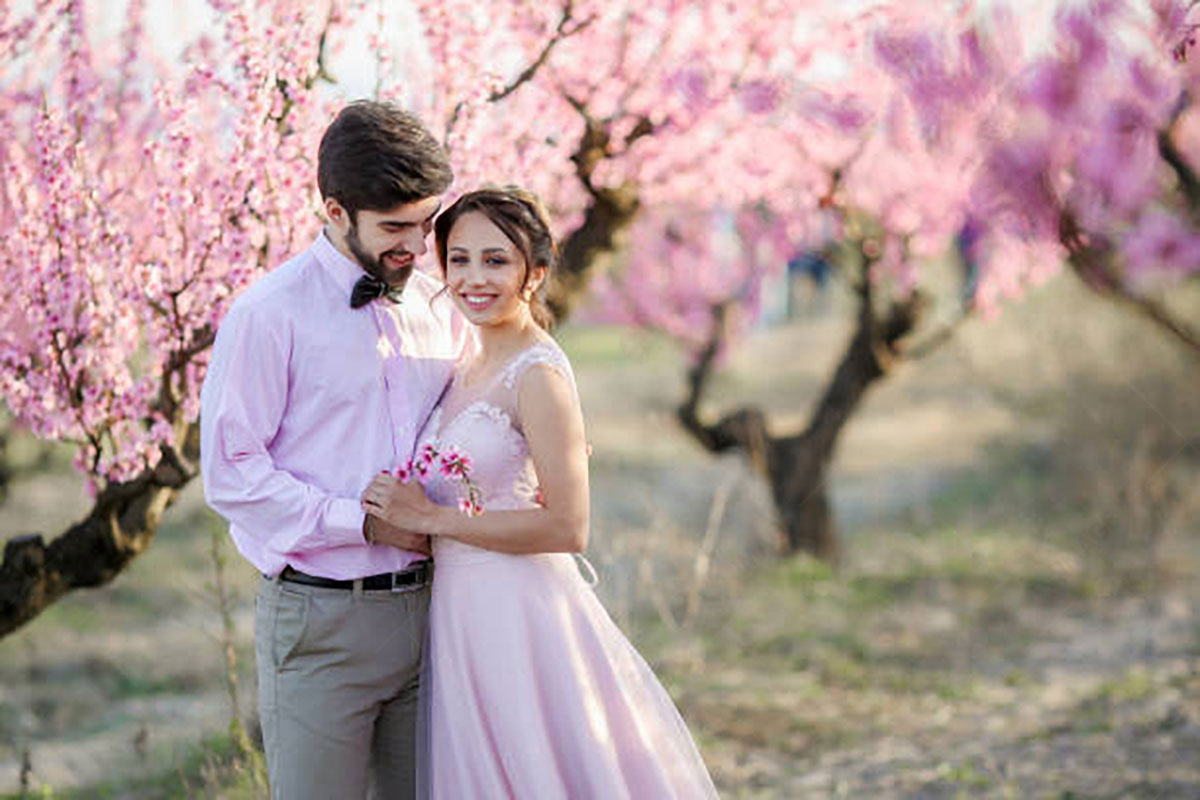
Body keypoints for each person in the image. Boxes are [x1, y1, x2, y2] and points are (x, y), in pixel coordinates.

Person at [361, 186, 720, 799]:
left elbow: (568, 527)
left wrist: (433, 519)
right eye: (459, 259)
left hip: (521, 611)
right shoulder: (464, 367)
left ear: (536, 273)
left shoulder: (539, 374)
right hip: (461, 611)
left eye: (496, 261)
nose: (474, 277)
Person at [200, 100, 471, 799]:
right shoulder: (269, 313)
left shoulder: (444, 307)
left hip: (436, 615)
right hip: (320, 623)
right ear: (334, 209)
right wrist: (365, 522)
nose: (416, 244)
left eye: (426, 222)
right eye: (394, 228)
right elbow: (232, 474)